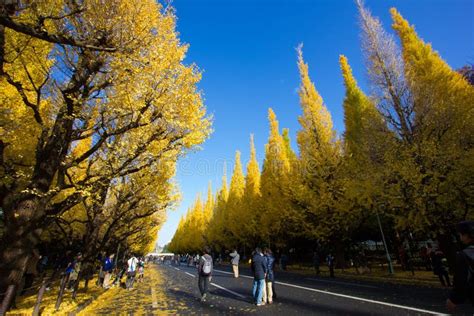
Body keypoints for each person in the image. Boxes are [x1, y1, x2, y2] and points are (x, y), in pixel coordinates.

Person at [447, 221, 474, 312]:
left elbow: (461, 280)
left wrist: (454, 299)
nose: (460, 237)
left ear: (467, 235)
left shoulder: (465, 255)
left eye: (461, 234)